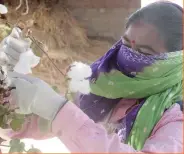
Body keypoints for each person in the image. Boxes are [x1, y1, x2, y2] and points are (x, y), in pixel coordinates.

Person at [0, 1, 183, 153]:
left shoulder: (176, 118)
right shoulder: (105, 91)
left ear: (174, 62)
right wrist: (5, 76)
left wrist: (58, 111)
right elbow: (28, 127)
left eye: (143, 52)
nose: (128, 56)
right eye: (126, 44)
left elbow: (68, 121)